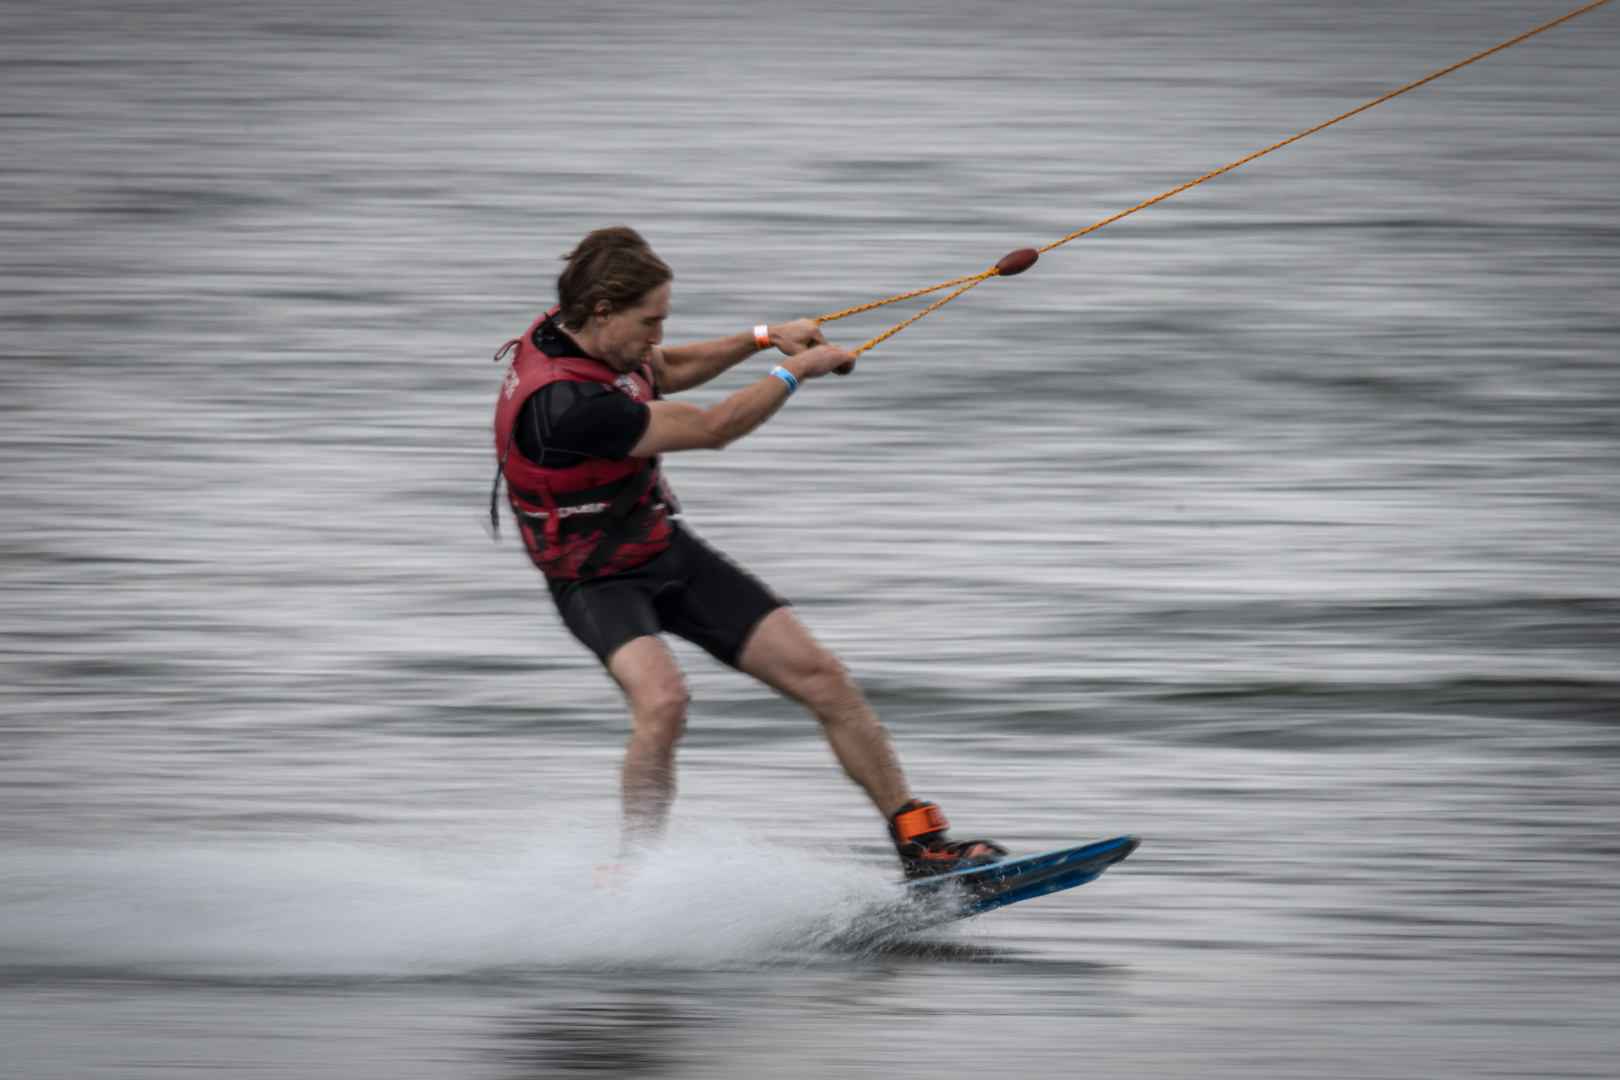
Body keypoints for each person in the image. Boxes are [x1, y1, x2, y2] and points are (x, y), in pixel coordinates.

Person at [492, 225, 1005, 878]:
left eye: (662, 320)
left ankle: (921, 842)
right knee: (663, 702)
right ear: (601, 311)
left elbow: (667, 369)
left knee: (821, 674)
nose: (657, 336)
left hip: (662, 547)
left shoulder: (585, 335)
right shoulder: (567, 407)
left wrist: (764, 336)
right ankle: (634, 876)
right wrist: (794, 369)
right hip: (593, 579)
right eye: (651, 322)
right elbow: (713, 429)